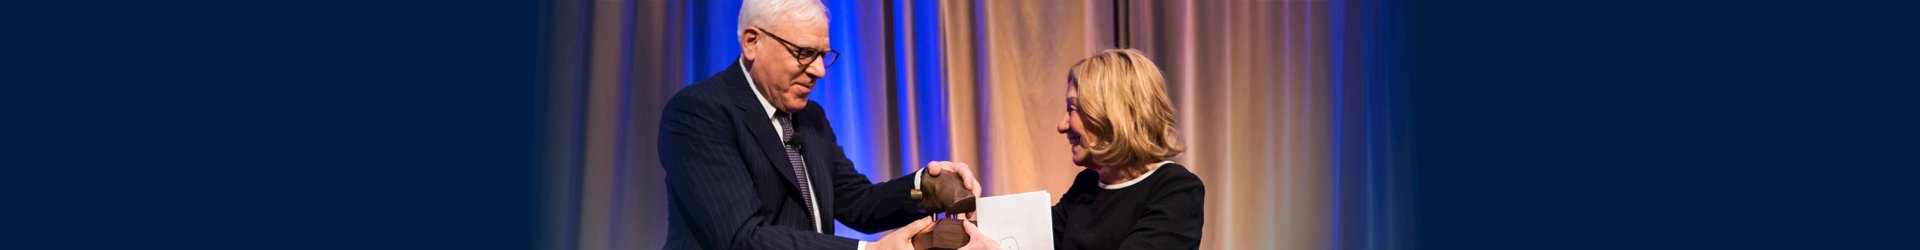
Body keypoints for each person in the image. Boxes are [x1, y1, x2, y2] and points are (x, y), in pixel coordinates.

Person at [656, 0, 981, 249]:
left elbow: (858, 204)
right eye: (803, 53)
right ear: (752, 42)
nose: (819, 71)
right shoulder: (698, 112)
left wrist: (926, 186)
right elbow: (744, 238)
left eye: (822, 55)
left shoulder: (812, 117)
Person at [1050, 49, 1205, 250]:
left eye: (1073, 109)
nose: (1062, 126)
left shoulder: (1175, 189)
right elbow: (1034, 238)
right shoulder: (1086, 185)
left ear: (1114, 114)